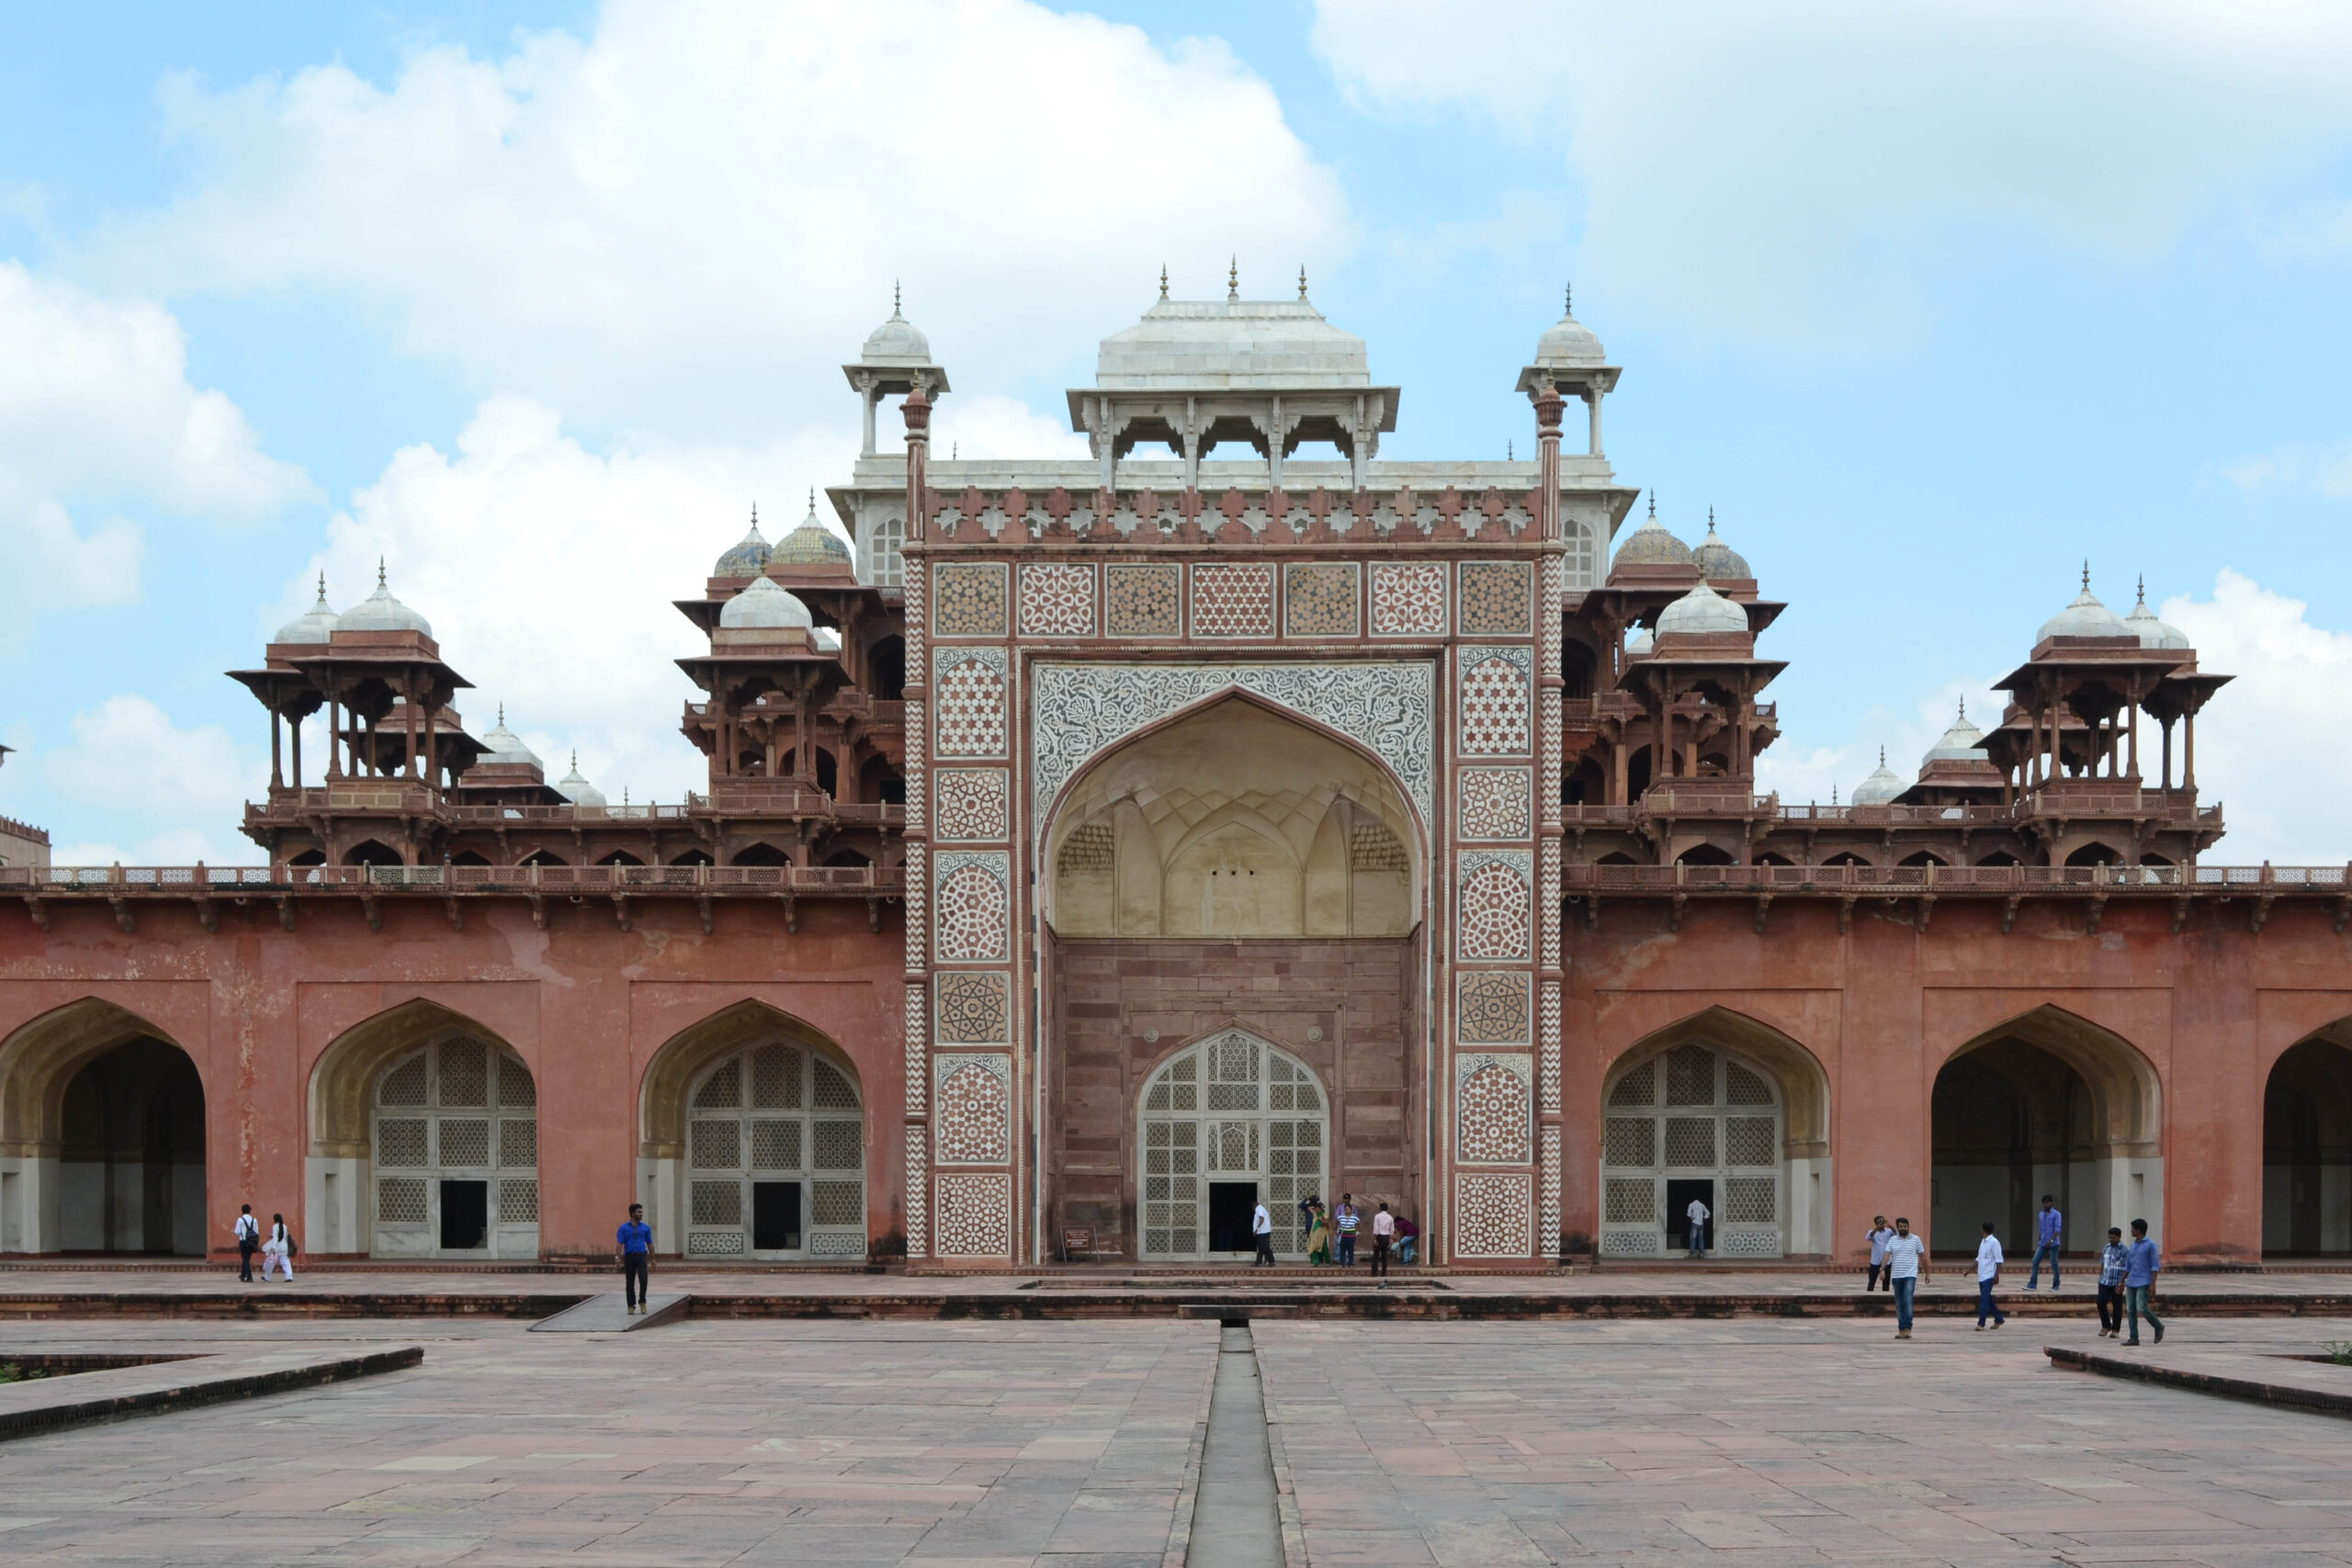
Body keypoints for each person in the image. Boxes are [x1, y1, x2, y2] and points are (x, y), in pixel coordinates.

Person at [1883, 1216, 1927, 1338]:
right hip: (1896, 1275)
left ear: (1908, 1227)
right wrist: (1882, 1269)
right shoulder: (1892, 1240)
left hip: (1910, 1275)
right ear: (1897, 1227)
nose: (1903, 1228)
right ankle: (1901, 1328)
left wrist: (1927, 1273)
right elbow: (1886, 1255)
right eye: (1901, 1227)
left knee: (1907, 1300)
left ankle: (1907, 1328)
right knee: (1899, 1303)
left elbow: (1923, 1257)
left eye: (1905, 1226)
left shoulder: (1916, 1239)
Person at [2122, 1218, 2164, 1346]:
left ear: (2138, 1230)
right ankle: (2134, 1337)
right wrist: (2121, 1281)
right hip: (2132, 1281)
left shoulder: (2151, 1245)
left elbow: (2155, 1266)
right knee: (2131, 1310)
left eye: (2133, 1228)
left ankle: (2158, 1326)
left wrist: (2153, 1284)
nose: (2131, 1231)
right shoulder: (2133, 1245)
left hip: (2144, 1281)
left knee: (2141, 1307)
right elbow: (2128, 1266)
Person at [617, 1202, 654, 1314]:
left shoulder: (645, 1228)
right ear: (632, 1213)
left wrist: (653, 1258)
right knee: (630, 1282)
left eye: (642, 1212)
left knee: (643, 1279)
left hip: (642, 1256)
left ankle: (642, 1301)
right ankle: (631, 1305)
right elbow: (619, 1244)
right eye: (639, 1212)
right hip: (629, 1256)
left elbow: (650, 1243)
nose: (641, 1214)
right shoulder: (624, 1228)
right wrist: (617, 1258)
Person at [2096, 1225, 2129, 1338]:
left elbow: (2127, 1267)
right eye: (2110, 1237)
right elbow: (2102, 1263)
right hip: (2105, 1280)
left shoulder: (2124, 1250)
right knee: (2100, 1302)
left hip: (2117, 1282)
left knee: (2117, 1306)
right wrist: (2099, 1278)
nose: (2111, 1240)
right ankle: (2106, 1325)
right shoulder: (2106, 1248)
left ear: (2119, 1237)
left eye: (2113, 1238)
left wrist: (2123, 1281)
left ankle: (2115, 1330)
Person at [1974, 1221, 2007, 1330]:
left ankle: (1981, 1323)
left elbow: (1999, 1260)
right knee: (1987, 1299)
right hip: (1982, 1275)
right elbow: (1979, 1258)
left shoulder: (1994, 1242)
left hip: (1989, 1275)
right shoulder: (1983, 1242)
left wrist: (1996, 1275)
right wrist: (1969, 1270)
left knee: (1984, 1300)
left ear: (1983, 1229)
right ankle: (1999, 1318)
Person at [2029, 1196, 2064, 1290]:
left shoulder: (2057, 1214)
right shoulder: (2041, 1214)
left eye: (2047, 1203)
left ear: (2051, 1203)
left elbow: (2057, 1229)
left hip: (2053, 1243)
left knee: (2054, 1263)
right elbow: (2041, 1229)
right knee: (2035, 1261)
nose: (2046, 1205)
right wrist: (2040, 1240)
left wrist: (2051, 1240)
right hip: (2043, 1243)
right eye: (2044, 1203)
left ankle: (2056, 1284)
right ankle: (2032, 1283)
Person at [260, 1213, 295, 1281]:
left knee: (270, 1262)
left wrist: (273, 1248)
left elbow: (276, 1238)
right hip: (284, 1247)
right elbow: (284, 1236)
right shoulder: (285, 1226)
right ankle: (289, 1277)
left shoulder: (275, 1226)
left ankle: (267, 1277)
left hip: (277, 1248)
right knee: (286, 1262)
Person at [1864, 1215, 1896, 1292]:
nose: (1881, 1224)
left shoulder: (1889, 1231)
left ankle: (1885, 1297)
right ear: (1875, 1223)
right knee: (1872, 1281)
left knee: (1886, 1282)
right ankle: (1869, 1298)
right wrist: (1876, 1229)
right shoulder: (1872, 1232)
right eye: (1879, 1222)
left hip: (1887, 1261)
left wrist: (1890, 1225)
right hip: (1875, 1261)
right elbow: (1868, 1237)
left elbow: (1896, 1234)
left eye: (1882, 1222)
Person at [233, 1204, 260, 1284]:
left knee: (245, 1259)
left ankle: (249, 1276)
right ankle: (242, 1274)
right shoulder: (254, 1220)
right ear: (250, 1210)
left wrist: (242, 1233)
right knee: (247, 1259)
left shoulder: (240, 1220)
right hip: (252, 1242)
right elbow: (256, 1231)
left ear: (242, 1211)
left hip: (243, 1241)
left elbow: (237, 1232)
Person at [1369, 1201, 1396, 1281]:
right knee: (1384, 1255)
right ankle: (1384, 1272)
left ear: (1380, 1208)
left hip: (1379, 1236)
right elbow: (1392, 1230)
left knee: (1376, 1255)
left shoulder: (1377, 1216)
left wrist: (1375, 1239)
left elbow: (1376, 1228)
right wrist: (1390, 1239)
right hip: (1386, 1236)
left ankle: (1374, 1272)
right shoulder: (1390, 1217)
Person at [1334, 1194, 1360, 1269]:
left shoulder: (1353, 1208)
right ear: (1343, 1199)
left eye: (1348, 1198)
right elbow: (1337, 1218)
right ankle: (1339, 1261)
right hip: (1341, 1231)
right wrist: (1336, 1229)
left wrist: (1357, 1231)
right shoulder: (1340, 1207)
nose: (1346, 1200)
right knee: (1340, 1247)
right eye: (1345, 1198)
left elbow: (1356, 1221)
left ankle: (1350, 1262)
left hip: (1351, 1232)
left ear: (1350, 1199)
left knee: (1350, 1248)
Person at [1685, 1194, 1710, 1258]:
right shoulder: (1702, 1205)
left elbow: (1688, 1213)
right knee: (1701, 1239)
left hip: (1695, 1223)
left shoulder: (1691, 1204)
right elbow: (1708, 1213)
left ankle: (1693, 1253)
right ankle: (1701, 1253)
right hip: (1701, 1224)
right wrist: (1704, 1218)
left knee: (1693, 1238)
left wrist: (1692, 1218)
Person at [1251, 1201, 1275, 1267]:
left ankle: (1272, 1261)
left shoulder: (1259, 1209)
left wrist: (1256, 1230)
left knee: (1264, 1247)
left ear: (1254, 1206)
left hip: (1262, 1232)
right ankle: (1258, 1262)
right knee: (1261, 1248)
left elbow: (1262, 1218)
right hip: (1264, 1231)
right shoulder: (1261, 1208)